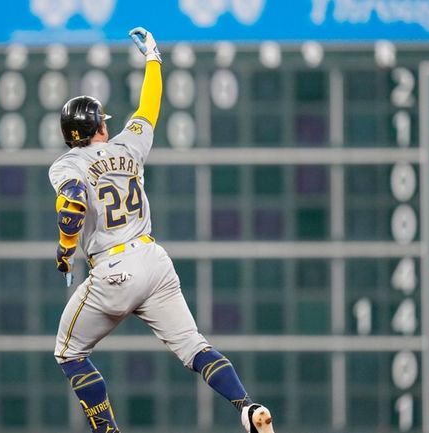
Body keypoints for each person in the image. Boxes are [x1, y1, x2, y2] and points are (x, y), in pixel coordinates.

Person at [48, 27, 275, 433]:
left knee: (69, 352)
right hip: (153, 260)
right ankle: (245, 406)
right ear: (99, 126)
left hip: (113, 270)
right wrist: (154, 59)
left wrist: (65, 251)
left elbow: (73, 205)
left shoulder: (66, 165)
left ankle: (107, 431)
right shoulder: (127, 146)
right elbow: (148, 107)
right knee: (194, 346)